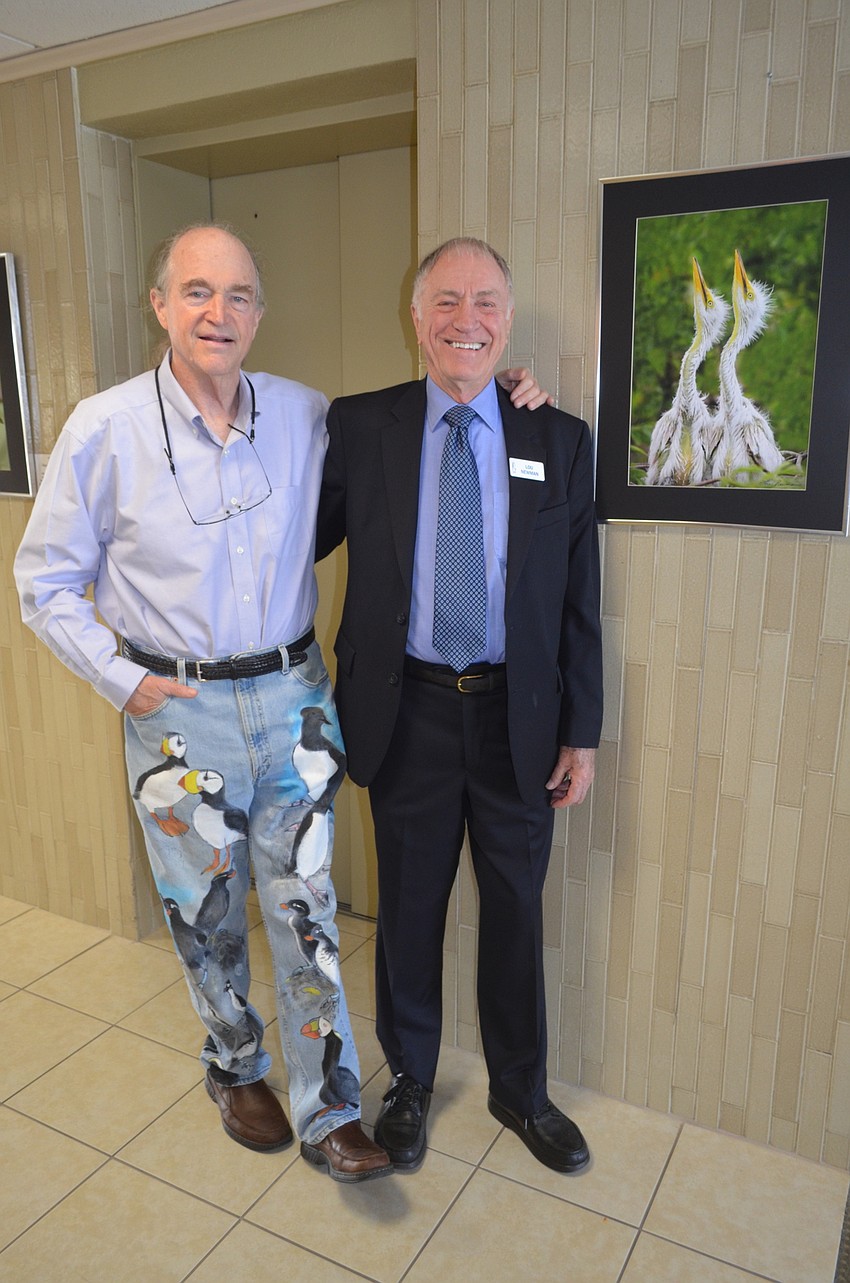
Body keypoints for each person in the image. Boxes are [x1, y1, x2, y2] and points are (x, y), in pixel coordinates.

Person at [14, 222, 547, 1183]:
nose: (219, 313)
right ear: (161, 304)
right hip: (177, 708)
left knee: (305, 915)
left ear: (261, 310)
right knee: (205, 911)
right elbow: (44, 581)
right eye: (197, 292)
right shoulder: (105, 427)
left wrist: (509, 395)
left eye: (240, 295)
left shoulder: (308, 415)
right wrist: (120, 677)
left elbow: (422, 443)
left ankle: (331, 1106)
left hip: (296, 701)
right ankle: (235, 1063)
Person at [316, 237, 603, 1175]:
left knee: (517, 908)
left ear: (507, 320)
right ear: (416, 316)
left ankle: (523, 1092)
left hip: (518, 720)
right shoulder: (362, 427)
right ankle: (408, 1082)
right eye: (446, 302)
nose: (465, 321)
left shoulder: (556, 438)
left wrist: (582, 732)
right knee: (408, 910)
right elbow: (292, 539)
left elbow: (577, 602)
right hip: (409, 715)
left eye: (484, 302)